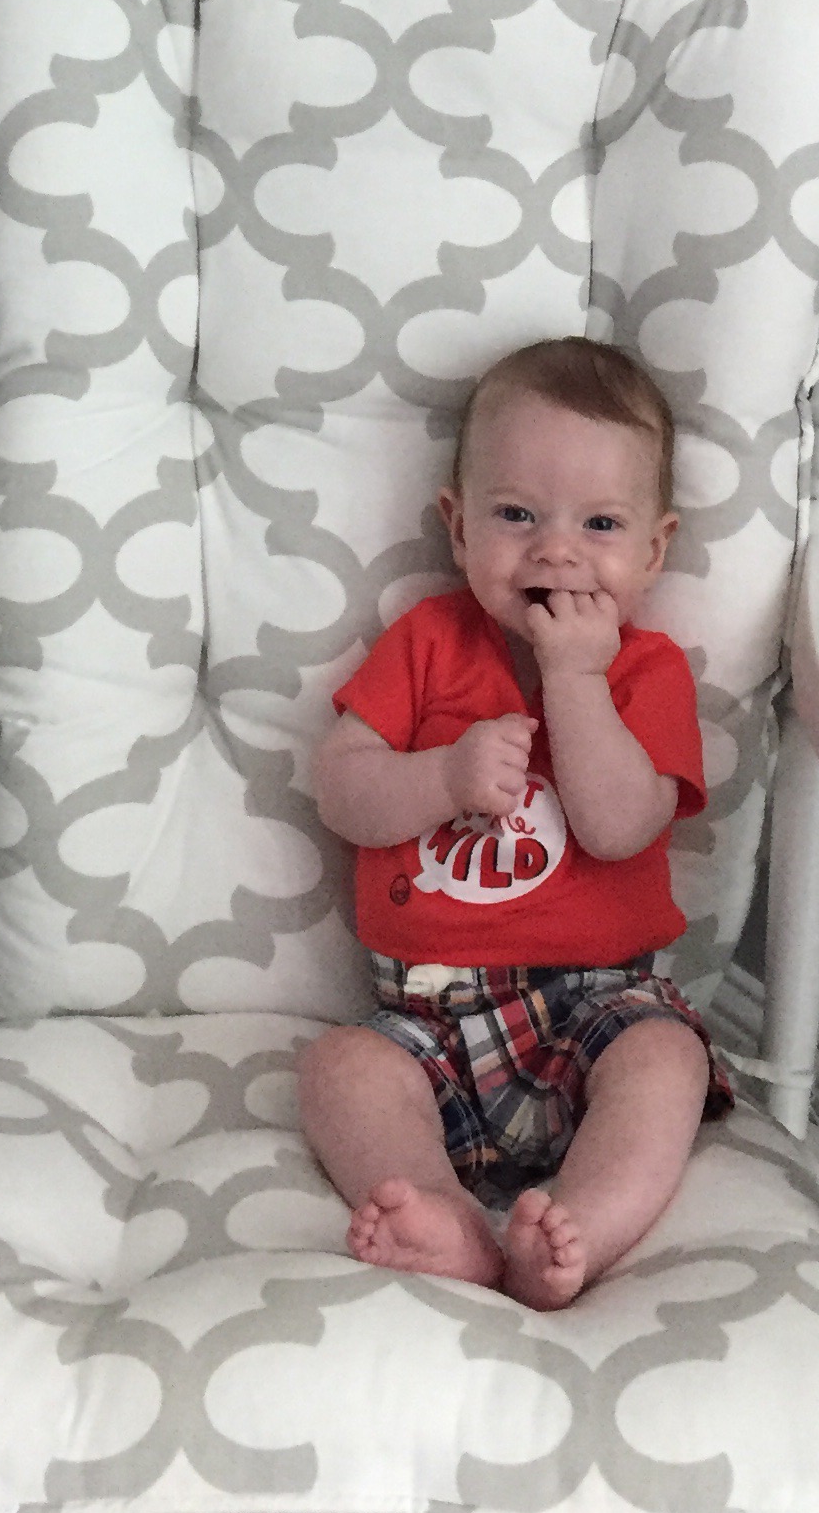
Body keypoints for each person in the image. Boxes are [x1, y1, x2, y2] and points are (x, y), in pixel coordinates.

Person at [298, 337, 734, 1308]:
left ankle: (577, 1230)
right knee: (340, 1071)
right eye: (516, 515)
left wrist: (575, 678)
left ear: (654, 550)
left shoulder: (647, 671)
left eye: (600, 523)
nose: (556, 550)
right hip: (427, 1016)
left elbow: (620, 828)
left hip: (596, 1007)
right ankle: (445, 1215)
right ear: (459, 528)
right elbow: (341, 791)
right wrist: (442, 776)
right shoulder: (425, 644)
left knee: (668, 1059)